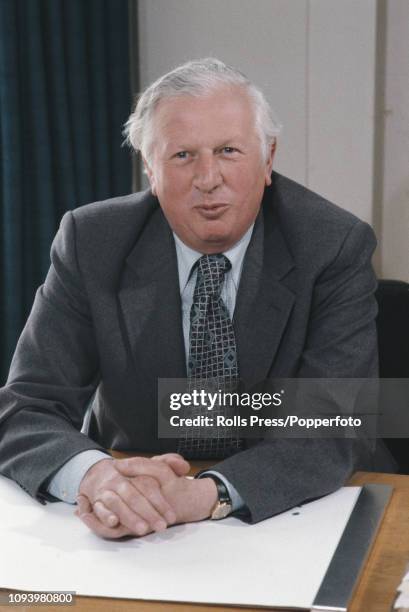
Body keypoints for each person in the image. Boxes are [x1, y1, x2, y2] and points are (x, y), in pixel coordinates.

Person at [0, 58, 390, 540]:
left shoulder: (332, 244)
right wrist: (98, 477)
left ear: (268, 159)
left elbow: (335, 424)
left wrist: (207, 494)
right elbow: (26, 406)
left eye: (228, 150)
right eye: (182, 155)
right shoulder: (92, 241)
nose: (208, 178)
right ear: (149, 167)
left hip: (290, 512)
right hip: (132, 514)